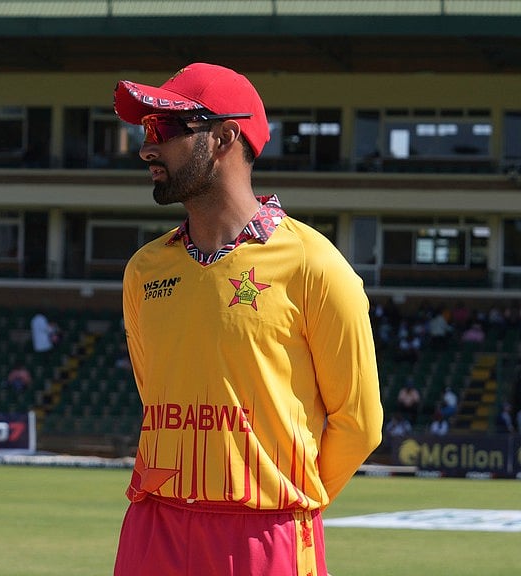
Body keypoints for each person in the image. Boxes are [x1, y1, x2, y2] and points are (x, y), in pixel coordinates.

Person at [110, 63, 383, 576]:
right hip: (154, 524)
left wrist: (286, 498)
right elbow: (155, 393)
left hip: (267, 531)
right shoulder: (144, 269)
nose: (146, 148)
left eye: (163, 130)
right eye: (144, 132)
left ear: (224, 137)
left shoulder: (313, 263)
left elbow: (360, 421)